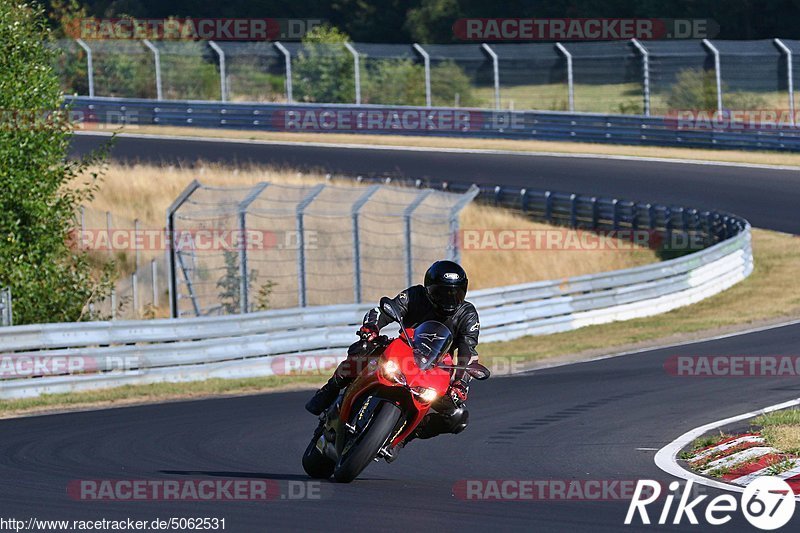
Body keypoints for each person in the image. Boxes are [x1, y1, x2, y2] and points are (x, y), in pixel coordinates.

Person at [305, 260, 480, 445]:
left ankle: (403, 438)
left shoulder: (467, 314)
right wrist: (371, 328)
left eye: (455, 293)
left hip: (433, 368)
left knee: (456, 417)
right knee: (363, 349)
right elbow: (385, 311)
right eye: (442, 293)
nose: (449, 299)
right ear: (429, 289)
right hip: (403, 350)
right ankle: (330, 388)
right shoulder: (415, 295)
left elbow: (467, 351)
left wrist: (460, 384)